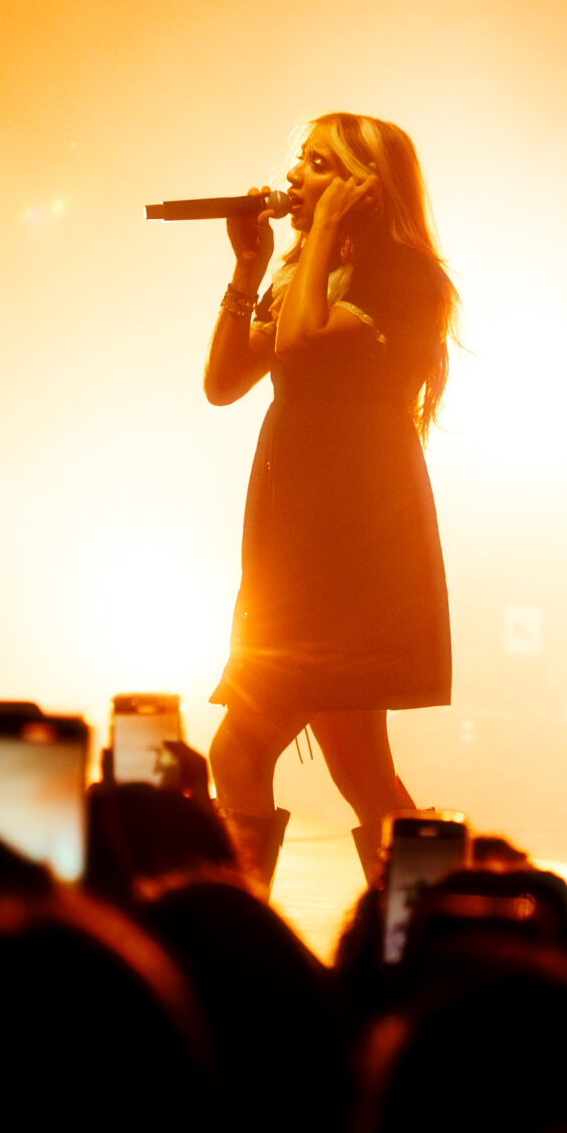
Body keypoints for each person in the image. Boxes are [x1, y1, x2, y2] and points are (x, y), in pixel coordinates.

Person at [201, 112, 458, 886]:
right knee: (364, 772)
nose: (293, 177)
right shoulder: (303, 274)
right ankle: (430, 927)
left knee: (237, 750)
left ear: (366, 188)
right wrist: (249, 268)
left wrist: (316, 244)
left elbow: (303, 343)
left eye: (317, 163)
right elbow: (224, 383)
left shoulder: (402, 276)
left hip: (351, 545)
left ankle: (240, 932)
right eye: (299, 160)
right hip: (297, 539)